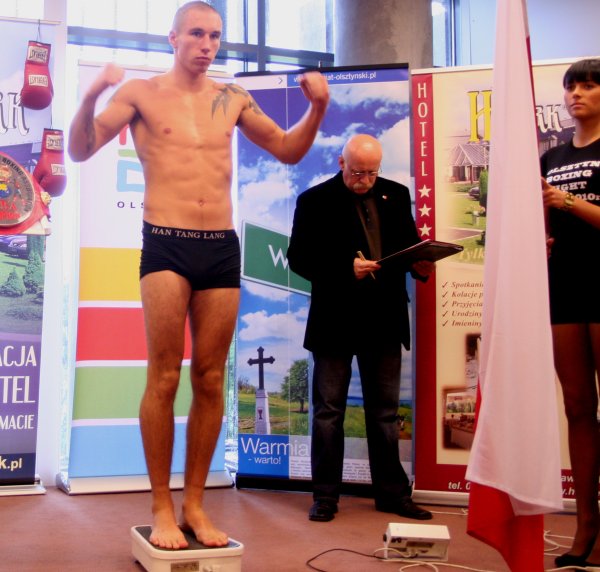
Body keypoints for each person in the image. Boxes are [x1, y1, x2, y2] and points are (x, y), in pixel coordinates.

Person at [68, 1, 329, 550]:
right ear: (173, 38)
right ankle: (161, 505)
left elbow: (287, 149)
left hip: (220, 247)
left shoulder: (232, 97)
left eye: (214, 35)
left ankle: (194, 504)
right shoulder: (140, 93)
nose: (207, 44)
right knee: (164, 376)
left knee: (210, 378)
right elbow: (82, 148)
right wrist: (91, 96)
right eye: (196, 34)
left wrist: (318, 108)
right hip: (166, 242)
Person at [286, 134, 434, 522]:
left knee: (385, 413)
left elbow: (408, 245)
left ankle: (392, 494)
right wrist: (344, 269)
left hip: (384, 319)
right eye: (357, 173)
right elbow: (298, 258)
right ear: (341, 163)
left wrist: (419, 264)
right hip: (334, 320)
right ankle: (325, 496)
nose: (364, 180)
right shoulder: (314, 200)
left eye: (371, 173)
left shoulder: (396, 194)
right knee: (328, 413)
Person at [541, 58, 600, 569]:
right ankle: (585, 526)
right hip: (563, 286)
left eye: (587, 85)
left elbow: (566, 206)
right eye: (570, 87)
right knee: (578, 406)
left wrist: (566, 202)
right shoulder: (552, 156)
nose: (575, 93)